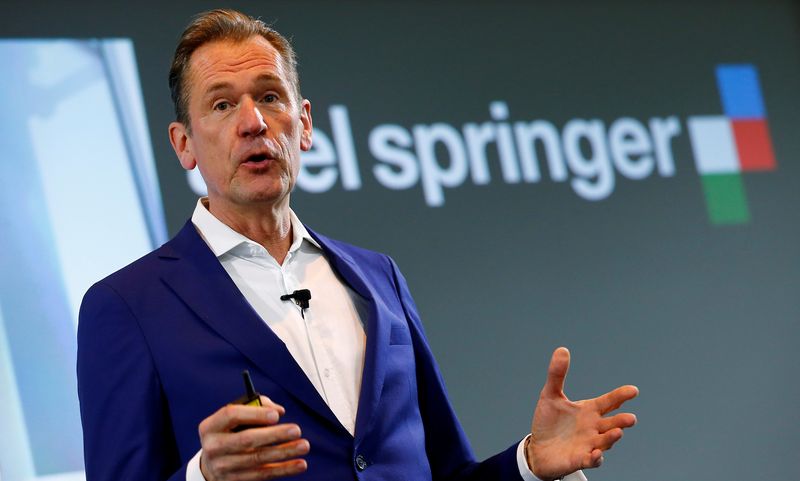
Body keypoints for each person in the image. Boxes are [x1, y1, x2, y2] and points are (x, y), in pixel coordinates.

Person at [77, 9, 638, 481]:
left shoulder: (378, 277)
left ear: (303, 124)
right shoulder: (127, 306)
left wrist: (529, 462)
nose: (252, 122)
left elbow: (444, 470)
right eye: (222, 105)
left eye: (270, 97)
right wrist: (203, 475)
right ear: (184, 145)